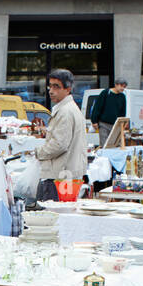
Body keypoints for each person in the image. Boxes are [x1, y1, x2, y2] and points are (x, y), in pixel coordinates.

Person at [35, 68, 87, 202]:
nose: (51, 91)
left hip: (62, 175)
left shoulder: (65, 111)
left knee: (55, 218)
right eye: (50, 86)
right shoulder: (68, 109)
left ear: (68, 89)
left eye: (56, 86)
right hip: (66, 173)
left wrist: (38, 153)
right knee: (63, 217)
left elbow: (59, 144)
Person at [87, 78, 127, 145]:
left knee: (115, 144)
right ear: (116, 85)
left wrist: (122, 122)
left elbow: (123, 112)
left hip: (115, 125)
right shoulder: (105, 93)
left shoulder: (122, 96)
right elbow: (97, 107)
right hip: (103, 124)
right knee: (104, 144)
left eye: (124, 87)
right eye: (121, 86)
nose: (122, 88)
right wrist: (94, 121)